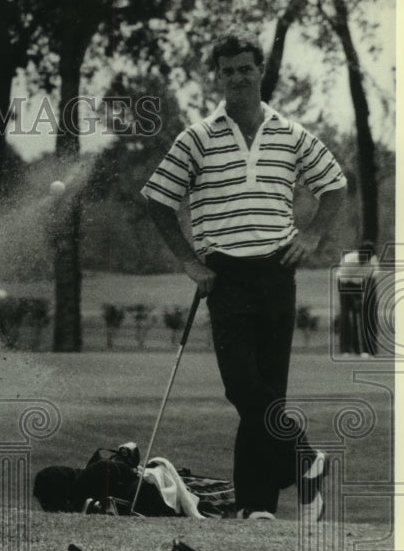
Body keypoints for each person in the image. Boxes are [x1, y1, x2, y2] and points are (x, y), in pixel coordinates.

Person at [142, 30, 346, 522]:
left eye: (245, 69)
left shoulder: (290, 133)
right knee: (242, 386)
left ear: (260, 73)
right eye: (228, 70)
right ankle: (304, 458)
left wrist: (313, 237)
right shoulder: (197, 137)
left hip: (277, 271)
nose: (237, 77)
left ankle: (256, 507)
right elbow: (158, 199)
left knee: (268, 392)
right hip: (225, 276)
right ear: (219, 76)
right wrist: (191, 262)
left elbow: (334, 184)